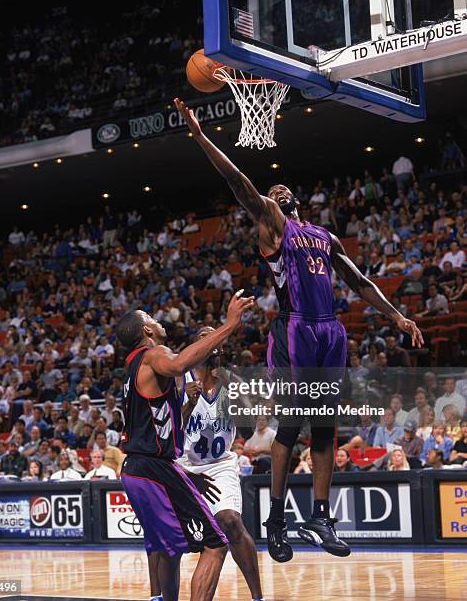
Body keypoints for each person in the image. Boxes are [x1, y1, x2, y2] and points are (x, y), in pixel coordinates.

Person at [175, 97, 423, 561]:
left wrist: (395, 315)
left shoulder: (322, 236)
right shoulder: (271, 223)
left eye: (283, 188)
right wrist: (201, 135)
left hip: (330, 331)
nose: (279, 190)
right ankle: (274, 519)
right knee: (291, 425)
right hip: (293, 330)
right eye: (273, 189)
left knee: (326, 428)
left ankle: (322, 516)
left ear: (298, 199)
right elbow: (238, 180)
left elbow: (359, 280)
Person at [115, 289, 254, 601]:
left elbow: (163, 419)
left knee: (169, 548)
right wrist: (230, 324)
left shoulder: (132, 366)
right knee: (216, 543)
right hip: (154, 467)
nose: (158, 321)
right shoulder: (154, 354)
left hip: (135, 469)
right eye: (151, 319)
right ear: (146, 330)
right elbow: (178, 365)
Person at [167, 326, 264, 601]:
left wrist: (240, 399)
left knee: (231, 522)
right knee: (174, 543)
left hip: (220, 465)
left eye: (215, 336)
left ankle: (258, 597)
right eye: (202, 337)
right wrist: (185, 404)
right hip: (184, 466)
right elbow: (168, 433)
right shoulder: (178, 380)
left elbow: (247, 432)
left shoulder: (232, 382)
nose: (210, 341)